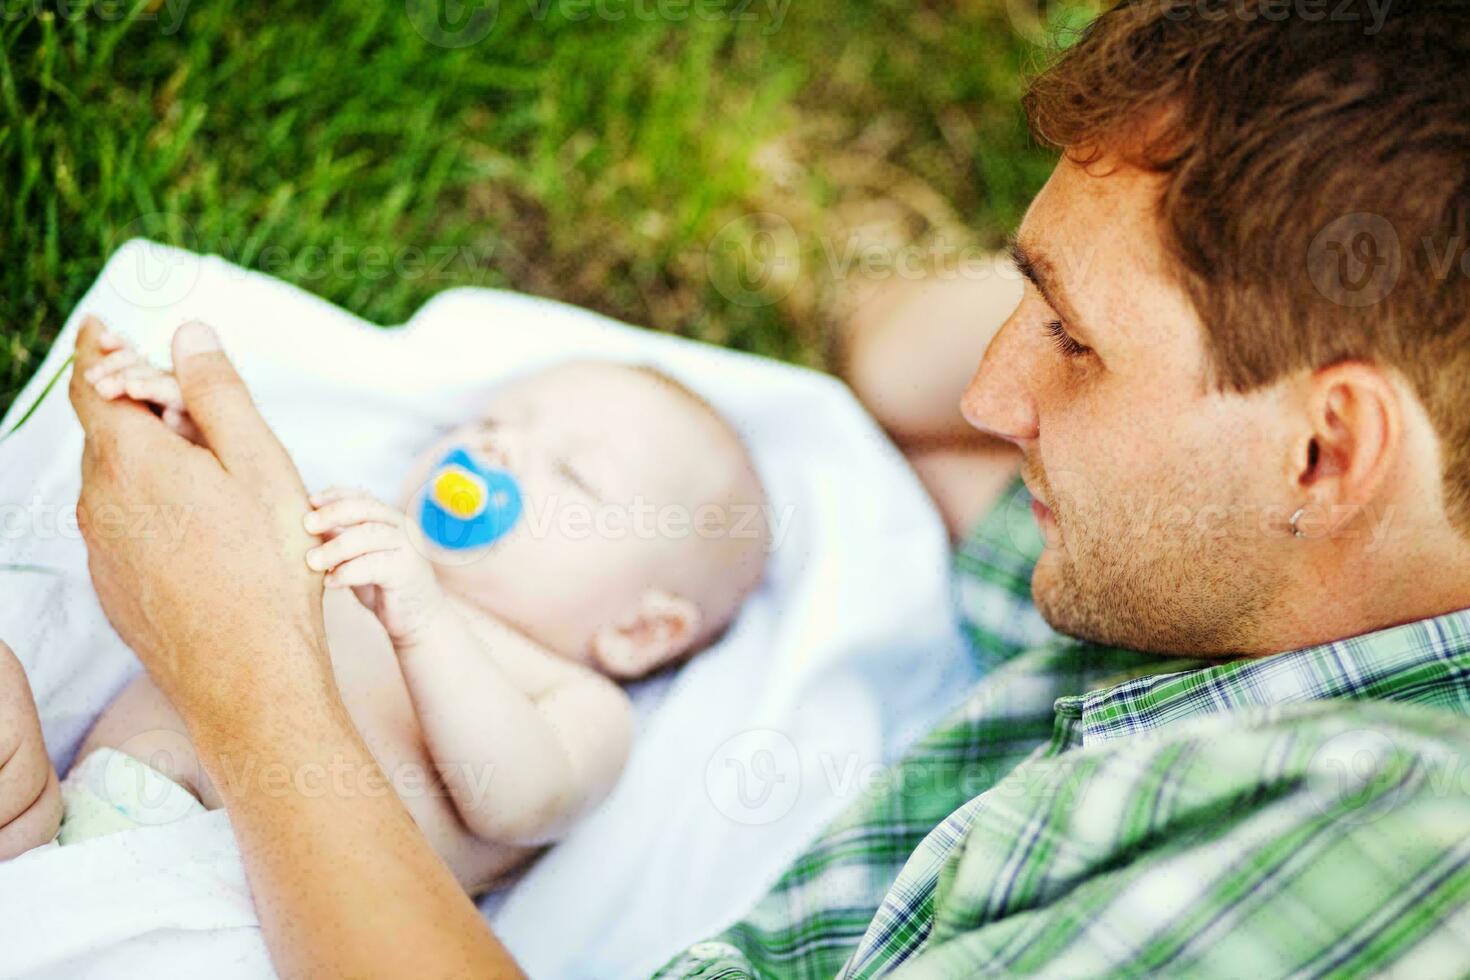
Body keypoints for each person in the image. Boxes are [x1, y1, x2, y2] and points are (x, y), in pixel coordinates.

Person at [7, 0, 1469, 976]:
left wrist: (245, 656)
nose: (992, 394)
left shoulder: (1379, 851)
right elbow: (891, 360)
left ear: (1325, 456)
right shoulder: (1240, 558)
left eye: (1072, 345)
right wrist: (1140, 253)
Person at [31, 331, 768, 892]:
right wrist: (187, 437)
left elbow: (514, 799)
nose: (499, 448)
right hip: (72, 828)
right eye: (495, 420)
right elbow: (235, 536)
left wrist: (423, 621)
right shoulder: (362, 531)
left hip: (259, 919)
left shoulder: (577, 704)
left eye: (574, 473)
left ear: (638, 631)